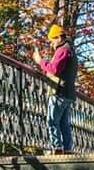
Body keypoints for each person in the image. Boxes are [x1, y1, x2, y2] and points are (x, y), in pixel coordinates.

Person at [33, 23, 78, 155]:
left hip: (60, 92)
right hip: (68, 93)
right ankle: (68, 149)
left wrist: (40, 61)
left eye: (52, 40)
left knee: (52, 121)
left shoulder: (63, 50)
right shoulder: (70, 50)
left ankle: (57, 148)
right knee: (64, 123)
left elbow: (54, 69)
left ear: (58, 37)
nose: (51, 44)